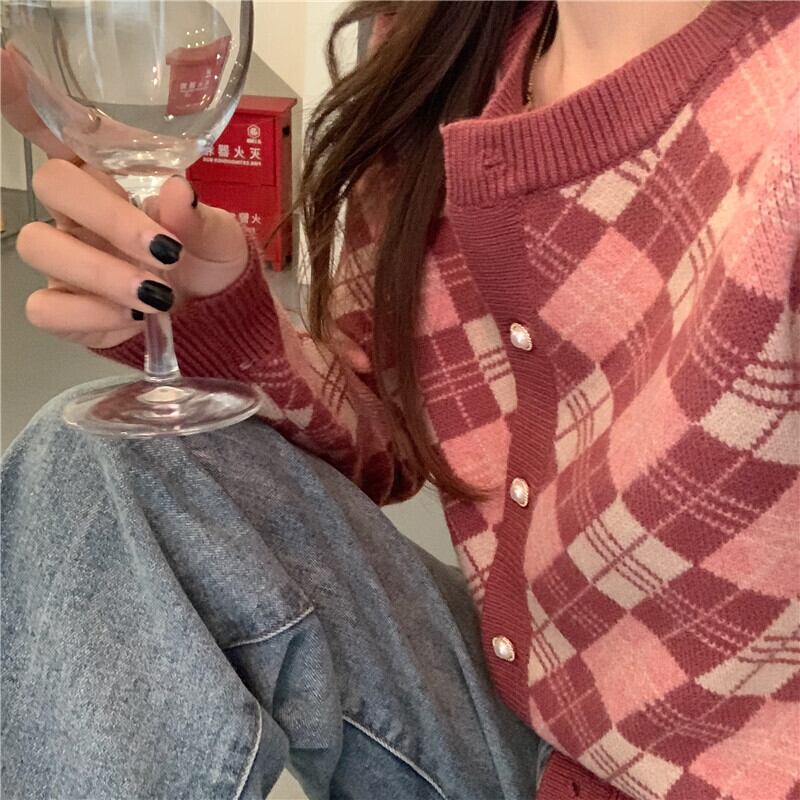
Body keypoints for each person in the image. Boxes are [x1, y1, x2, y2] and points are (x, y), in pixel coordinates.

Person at [2, 1, 798, 799]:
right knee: (99, 466)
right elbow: (383, 431)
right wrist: (210, 306)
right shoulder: (439, 43)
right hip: (520, 722)